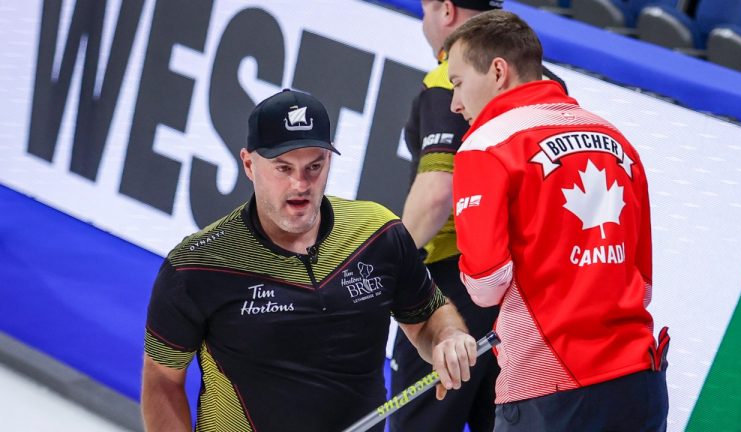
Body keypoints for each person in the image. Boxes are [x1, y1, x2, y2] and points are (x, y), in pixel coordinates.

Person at [140, 89, 478, 432]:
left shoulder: (377, 234)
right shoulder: (196, 266)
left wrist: (448, 337)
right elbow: (163, 380)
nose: (300, 184)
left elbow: (426, 318)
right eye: (283, 168)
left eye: (314, 166)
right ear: (248, 164)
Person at [445, 10, 669, 431]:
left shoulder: (485, 145)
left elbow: (486, 285)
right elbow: (643, 283)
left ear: (497, 71)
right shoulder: (615, 137)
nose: (455, 104)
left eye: (457, 83)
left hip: (550, 388)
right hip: (640, 380)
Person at [391, 1, 567, 431]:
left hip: (455, 287)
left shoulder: (442, 82)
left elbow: (437, 194)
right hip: (527, 300)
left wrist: (386, 266)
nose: (456, 101)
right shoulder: (549, 83)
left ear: (446, 10)